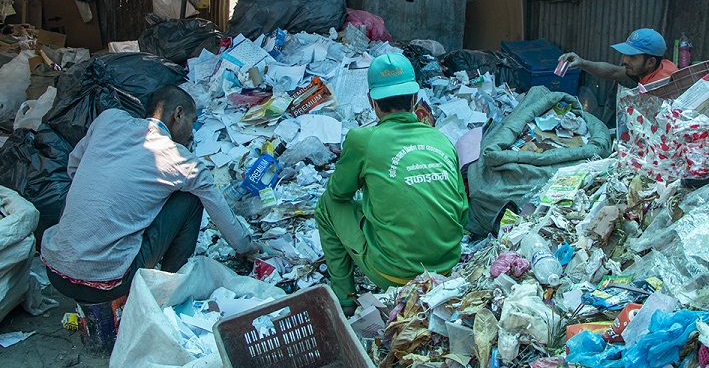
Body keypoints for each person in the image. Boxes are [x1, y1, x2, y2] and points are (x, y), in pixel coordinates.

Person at [41, 85, 260, 303]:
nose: (192, 133)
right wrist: (248, 247)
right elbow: (228, 224)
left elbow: (74, 169)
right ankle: (169, 293)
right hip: (109, 283)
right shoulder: (181, 160)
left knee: (87, 185)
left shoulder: (109, 120)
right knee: (190, 199)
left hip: (56, 270)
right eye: (192, 122)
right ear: (178, 114)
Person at [314, 53, 469, 314]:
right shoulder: (440, 139)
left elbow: (338, 193)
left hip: (394, 275)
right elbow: (461, 213)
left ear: (371, 101)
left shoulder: (363, 139)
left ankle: (345, 301)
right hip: (446, 267)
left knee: (325, 207)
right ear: (415, 99)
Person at [560, 28, 677, 86]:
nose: (625, 60)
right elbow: (614, 72)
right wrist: (582, 63)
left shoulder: (661, 87)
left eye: (633, 57)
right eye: (626, 54)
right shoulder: (656, 66)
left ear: (651, 62)